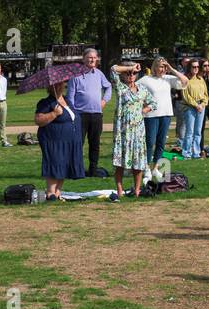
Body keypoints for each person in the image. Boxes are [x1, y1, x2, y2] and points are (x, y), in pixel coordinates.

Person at [109, 63, 153, 201]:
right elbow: (113, 69)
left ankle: (138, 189)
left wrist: (143, 110)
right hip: (123, 131)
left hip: (138, 132)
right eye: (128, 73)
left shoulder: (142, 89)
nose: (131, 76)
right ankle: (120, 189)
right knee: (120, 163)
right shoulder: (120, 88)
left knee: (138, 162)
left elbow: (153, 103)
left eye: (133, 73)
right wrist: (129, 67)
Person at [34, 80, 84, 199]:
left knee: (64, 164)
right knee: (55, 162)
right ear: (49, 86)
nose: (58, 86)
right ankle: (50, 192)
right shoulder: (46, 103)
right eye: (55, 84)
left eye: (60, 83)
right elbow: (38, 120)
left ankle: (57, 192)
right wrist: (54, 114)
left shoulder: (67, 100)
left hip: (69, 141)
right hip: (54, 141)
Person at [67, 47, 111, 177]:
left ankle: (93, 170)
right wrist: (74, 112)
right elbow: (70, 96)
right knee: (78, 144)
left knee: (95, 144)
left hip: (96, 115)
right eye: (89, 57)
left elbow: (108, 87)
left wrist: (104, 100)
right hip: (80, 115)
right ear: (84, 59)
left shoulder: (99, 74)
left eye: (94, 57)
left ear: (97, 59)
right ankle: (77, 170)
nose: (92, 59)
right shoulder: (75, 75)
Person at [138, 58, 188, 170]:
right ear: (154, 67)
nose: (163, 69)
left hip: (165, 114)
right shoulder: (146, 79)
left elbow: (185, 81)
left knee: (161, 143)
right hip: (151, 115)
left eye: (164, 67)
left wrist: (171, 69)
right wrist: (142, 106)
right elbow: (134, 90)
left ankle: (155, 168)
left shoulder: (168, 79)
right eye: (160, 66)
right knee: (150, 142)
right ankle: (145, 167)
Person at [180, 60, 208, 158]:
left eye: (197, 67)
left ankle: (196, 152)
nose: (196, 69)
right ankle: (186, 152)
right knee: (189, 132)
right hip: (190, 107)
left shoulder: (201, 79)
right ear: (189, 67)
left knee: (198, 131)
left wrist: (203, 104)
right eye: (193, 67)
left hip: (201, 107)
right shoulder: (185, 79)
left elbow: (205, 95)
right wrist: (196, 105)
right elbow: (185, 95)